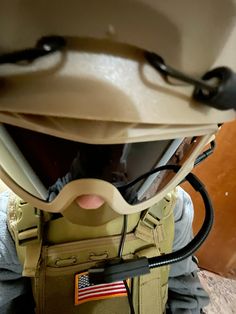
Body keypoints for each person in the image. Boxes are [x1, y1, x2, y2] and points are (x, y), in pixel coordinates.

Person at [0, 1, 235, 313]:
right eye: (62, 161)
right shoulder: (11, 222)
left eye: (125, 157)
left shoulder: (173, 209)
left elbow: (184, 289)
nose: (90, 201)